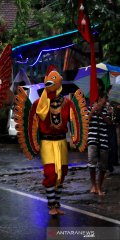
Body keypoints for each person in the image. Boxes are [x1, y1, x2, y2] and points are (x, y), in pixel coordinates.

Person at [14, 67, 88, 216]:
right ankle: (51, 206)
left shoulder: (67, 103)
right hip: (47, 142)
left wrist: (76, 137)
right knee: (50, 173)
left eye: (53, 81)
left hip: (61, 142)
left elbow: (76, 120)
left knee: (62, 173)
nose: (50, 84)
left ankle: (57, 203)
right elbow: (31, 123)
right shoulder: (38, 104)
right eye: (48, 81)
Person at [87, 81, 112, 196]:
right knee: (91, 163)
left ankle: (99, 186)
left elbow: (110, 123)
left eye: (104, 100)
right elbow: (86, 120)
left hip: (104, 140)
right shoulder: (89, 107)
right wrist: (93, 110)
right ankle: (93, 185)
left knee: (103, 166)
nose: (103, 101)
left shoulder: (106, 110)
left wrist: (101, 113)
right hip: (92, 139)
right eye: (101, 99)